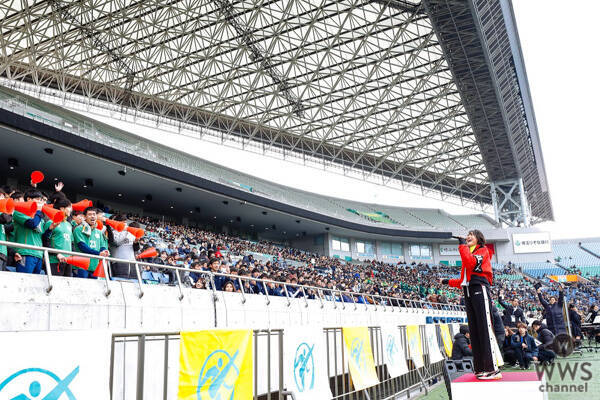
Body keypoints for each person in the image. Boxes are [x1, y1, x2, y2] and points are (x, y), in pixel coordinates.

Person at [440, 230, 501, 380]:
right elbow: (464, 280)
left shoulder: (482, 250)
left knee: (484, 330)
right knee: (475, 331)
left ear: (478, 238)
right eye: (467, 235)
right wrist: (447, 281)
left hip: (479, 288)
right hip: (468, 291)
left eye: (471, 235)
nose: (467, 237)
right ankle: (480, 368)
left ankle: (492, 369)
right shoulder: (469, 253)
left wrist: (462, 246)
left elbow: (471, 263)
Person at [11, 189, 45, 274]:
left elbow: (43, 236)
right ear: (29, 199)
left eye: (41, 200)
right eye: (37, 199)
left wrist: (51, 228)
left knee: (34, 286)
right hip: (26, 253)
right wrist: (39, 211)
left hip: (39, 255)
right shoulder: (19, 212)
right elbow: (32, 224)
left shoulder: (39, 217)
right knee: (23, 282)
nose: (40, 202)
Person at [72, 207, 109, 278]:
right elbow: (82, 246)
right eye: (89, 214)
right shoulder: (79, 229)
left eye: (94, 214)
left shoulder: (99, 232)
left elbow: (102, 246)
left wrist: (104, 251)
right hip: (81, 266)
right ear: (85, 217)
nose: (92, 216)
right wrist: (99, 253)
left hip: (94, 266)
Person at [42, 198, 73, 277]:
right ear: (62, 208)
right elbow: (45, 241)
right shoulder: (50, 222)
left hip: (68, 261)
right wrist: (57, 254)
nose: (71, 209)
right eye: (69, 207)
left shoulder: (69, 225)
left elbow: (71, 243)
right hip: (54, 261)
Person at [107, 214, 137, 279]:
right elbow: (117, 242)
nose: (125, 225)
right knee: (120, 280)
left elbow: (135, 249)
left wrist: (136, 242)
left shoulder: (130, 232)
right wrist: (125, 231)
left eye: (125, 223)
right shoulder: (114, 232)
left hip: (131, 261)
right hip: (119, 261)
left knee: (133, 281)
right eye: (123, 223)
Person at [0, 187, 13, 271]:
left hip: (3, 253)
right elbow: (5, 219)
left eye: (3, 196)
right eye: (0, 196)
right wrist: (11, 213)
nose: (2, 199)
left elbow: (9, 227)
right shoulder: (2, 214)